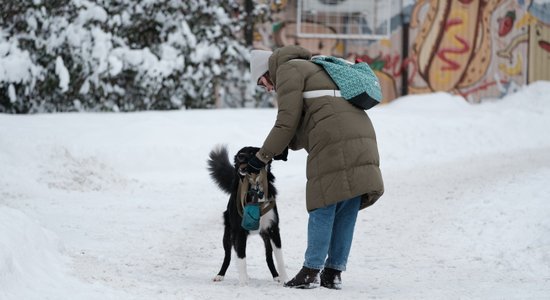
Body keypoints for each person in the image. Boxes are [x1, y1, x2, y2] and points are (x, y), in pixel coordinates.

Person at [246, 45, 384, 289]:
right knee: (346, 203)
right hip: (361, 134)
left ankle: (311, 271)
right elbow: (316, 113)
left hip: (333, 138)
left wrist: (262, 156)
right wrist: (286, 146)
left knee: (323, 201)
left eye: (262, 82)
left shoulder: (287, 70)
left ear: (268, 71)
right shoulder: (312, 67)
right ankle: (333, 272)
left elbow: (286, 122)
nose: (267, 88)